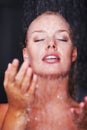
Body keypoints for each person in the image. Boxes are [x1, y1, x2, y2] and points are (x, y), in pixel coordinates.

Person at [0, 1, 87, 130]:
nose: (51, 43)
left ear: (73, 53)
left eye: (62, 38)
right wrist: (16, 112)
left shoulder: (84, 118)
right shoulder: (3, 114)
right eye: (39, 39)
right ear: (26, 54)